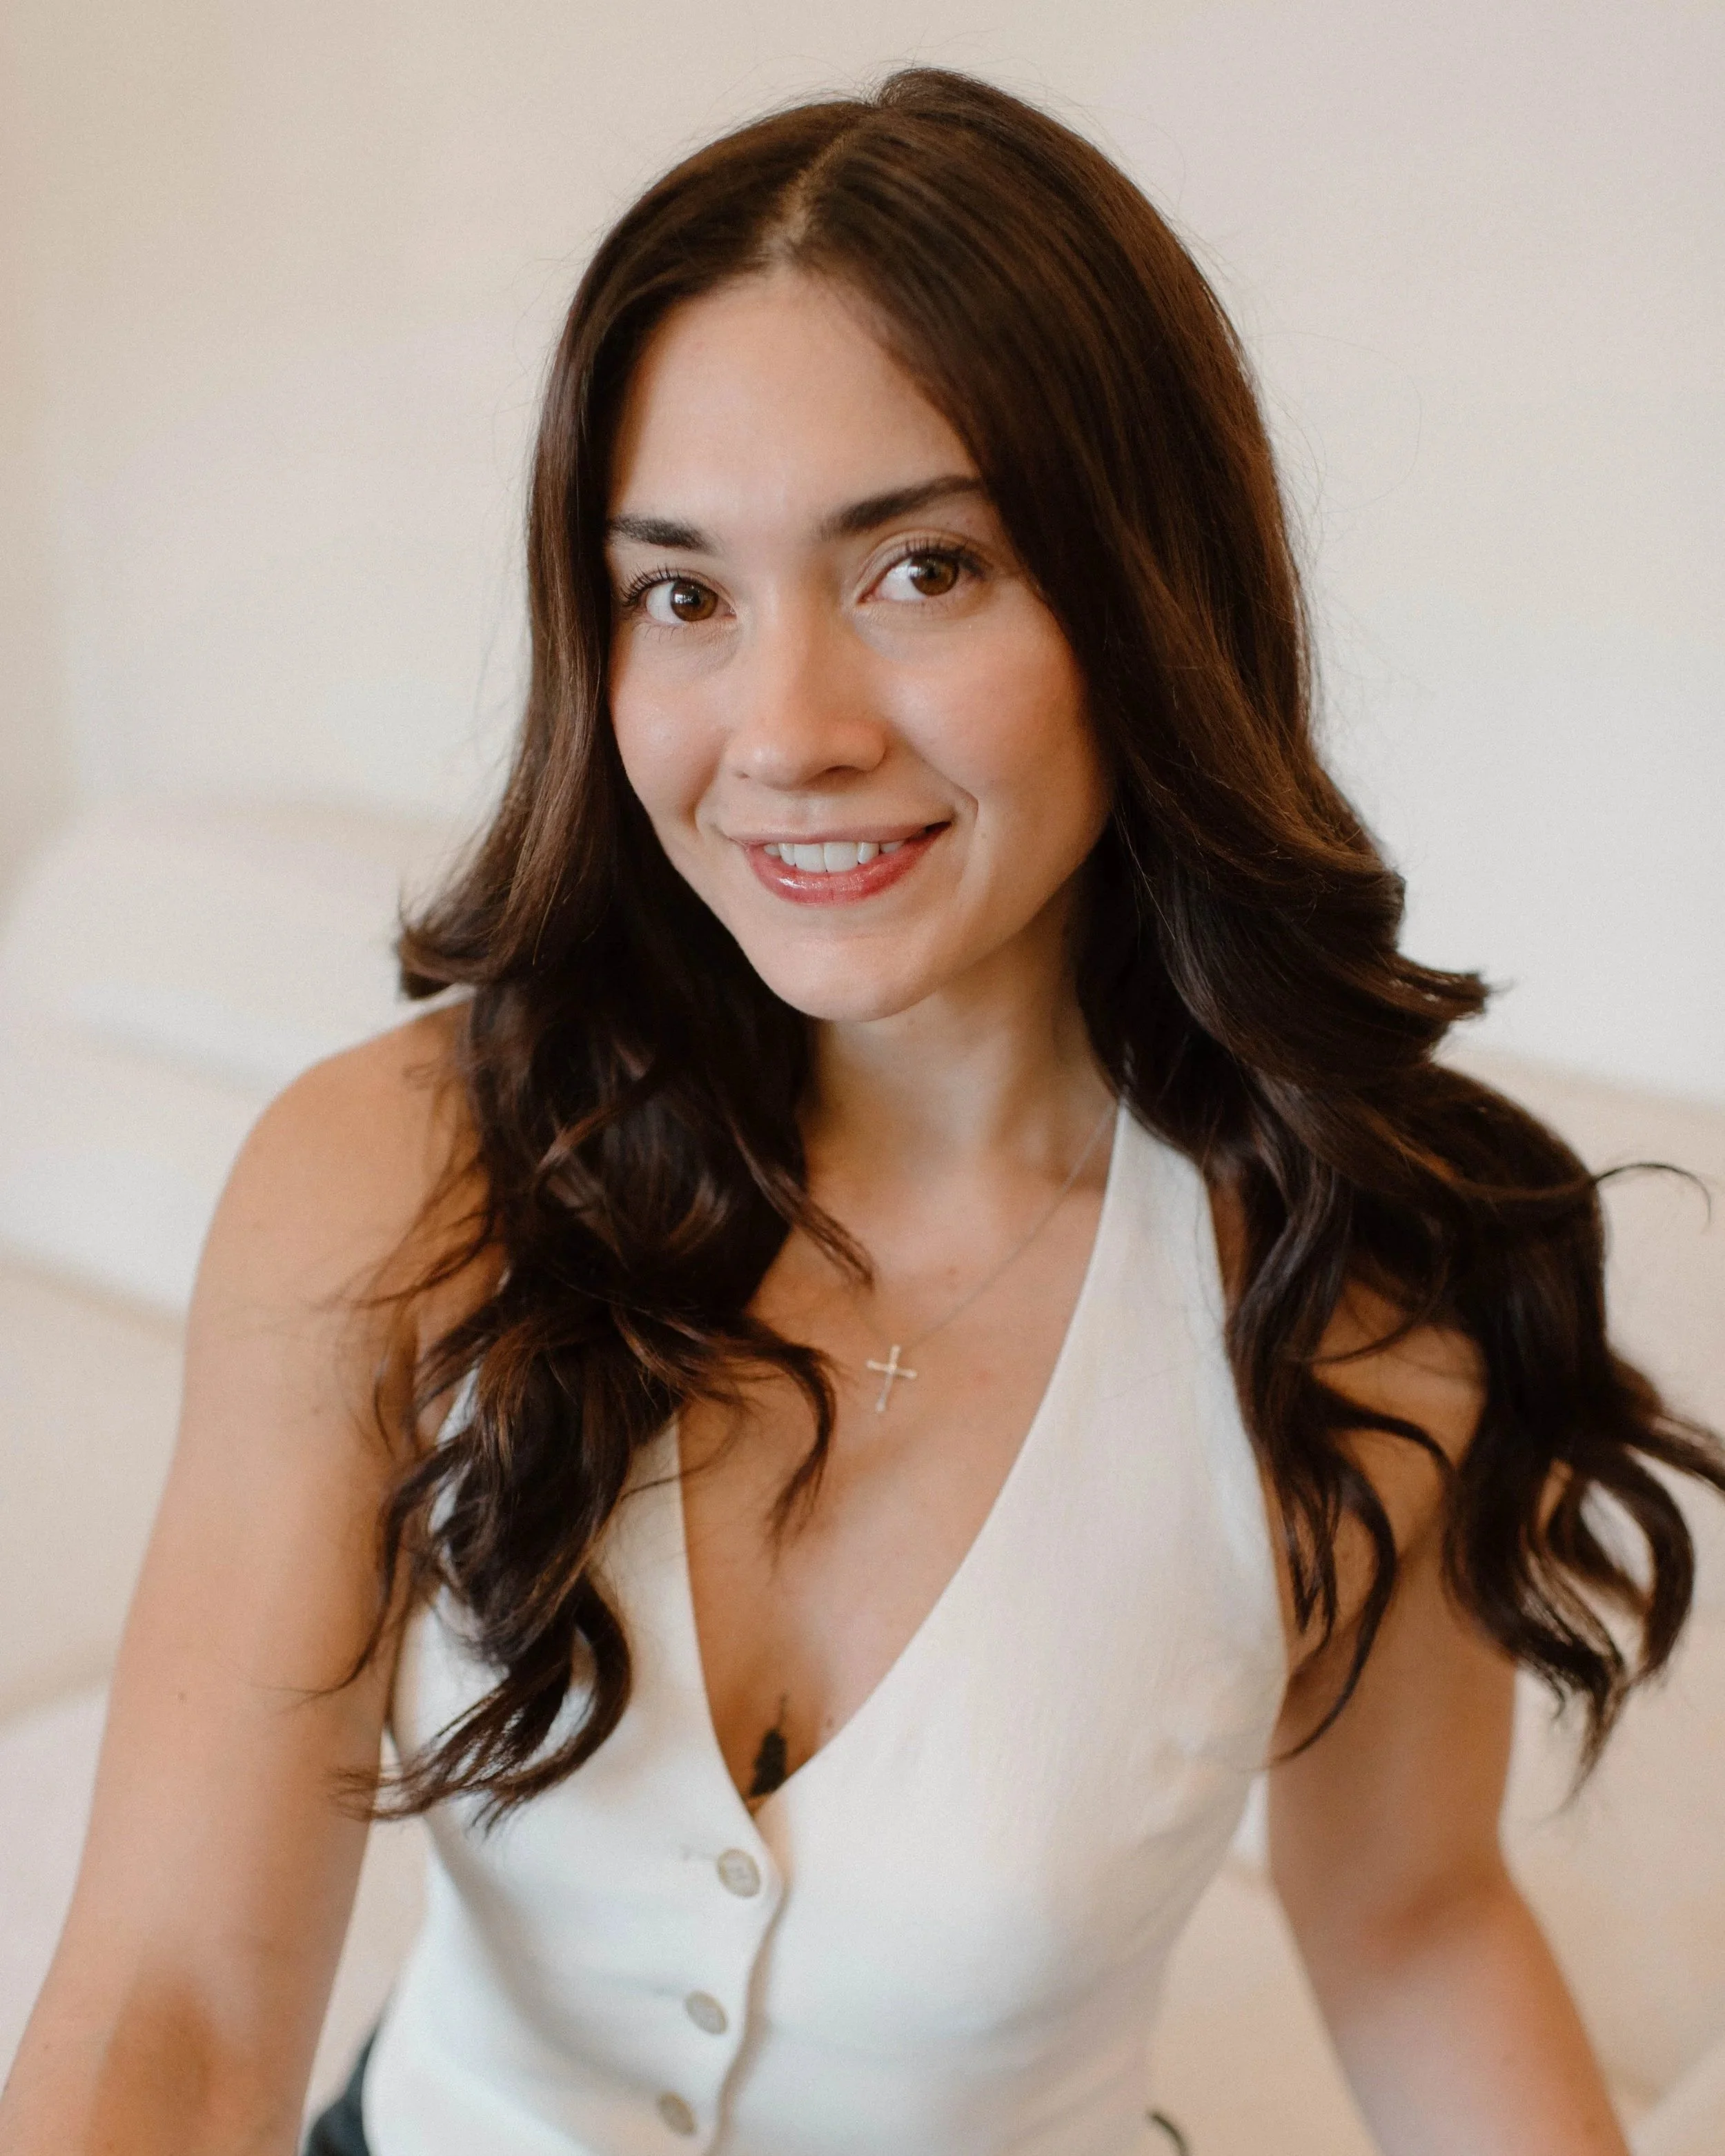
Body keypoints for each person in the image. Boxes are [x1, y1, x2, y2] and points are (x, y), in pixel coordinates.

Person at [2, 67, 1718, 2156]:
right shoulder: (389, 1178)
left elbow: (1414, 1912)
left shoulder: (1374, 1288)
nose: (785, 734)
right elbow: (172, 2007)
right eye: (682, 593)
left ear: (1143, 597)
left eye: (920, 569)